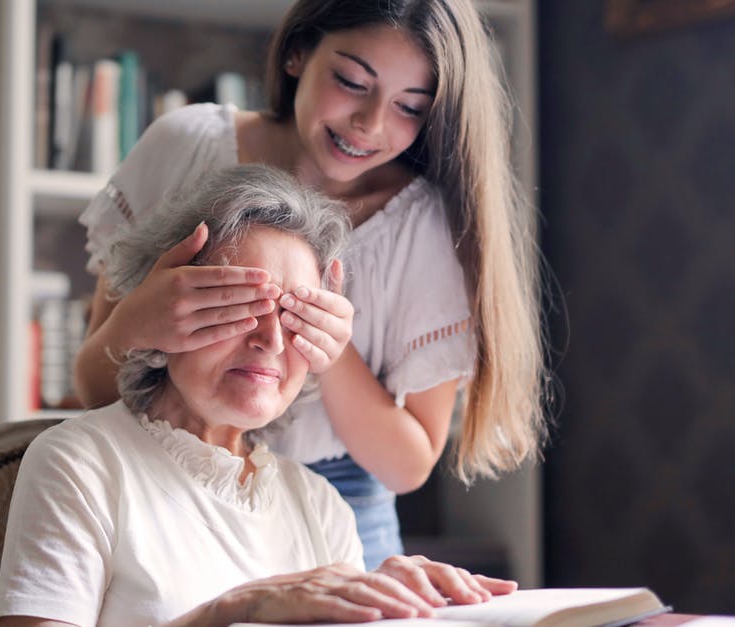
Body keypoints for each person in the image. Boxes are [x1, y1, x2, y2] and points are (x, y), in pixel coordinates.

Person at [73, 0, 547, 569]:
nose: (369, 124)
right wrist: (138, 322)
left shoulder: (424, 227)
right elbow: (95, 388)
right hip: (169, 483)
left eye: (409, 108)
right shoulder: (186, 147)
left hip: (343, 508)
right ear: (298, 52)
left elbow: (406, 466)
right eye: (351, 81)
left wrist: (328, 347)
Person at [0, 165, 515, 627]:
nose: (272, 340)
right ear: (169, 310)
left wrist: (406, 611)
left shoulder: (321, 507)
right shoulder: (81, 465)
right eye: (238, 305)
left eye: (296, 315)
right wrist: (232, 611)